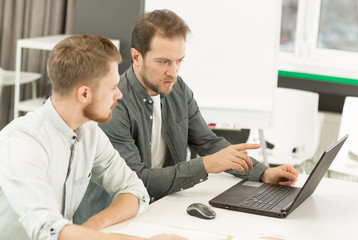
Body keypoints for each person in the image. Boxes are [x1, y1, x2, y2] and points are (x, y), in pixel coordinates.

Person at [74, 9, 298, 223]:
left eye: (179, 61)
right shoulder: (115, 103)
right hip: (113, 219)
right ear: (136, 57)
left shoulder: (177, 89)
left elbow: (208, 143)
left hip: (161, 207)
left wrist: (263, 173)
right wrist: (206, 165)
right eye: (163, 62)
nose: (173, 72)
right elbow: (136, 181)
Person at [0, 34, 186, 240]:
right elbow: (48, 230)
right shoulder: (23, 141)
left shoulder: (89, 133)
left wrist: (93, 225)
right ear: (84, 94)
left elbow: (134, 190)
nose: (119, 95)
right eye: (113, 87)